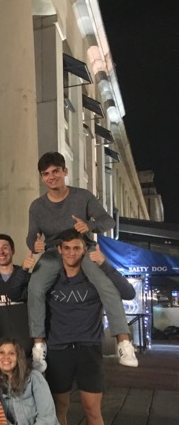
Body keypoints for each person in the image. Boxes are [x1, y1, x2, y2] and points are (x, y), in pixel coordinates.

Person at [27, 151, 138, 368]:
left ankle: (124, 343)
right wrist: (35, 245)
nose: (52, 177)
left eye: (56, 171)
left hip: (82, 249)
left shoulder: (83, 196)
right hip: (53, 252)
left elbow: (108, 221)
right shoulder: (37, 206)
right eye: (46, 174)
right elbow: (31, 236)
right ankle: (39, 347)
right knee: (35, 286)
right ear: (42, 178)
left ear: (64, 171)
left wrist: (89, 225)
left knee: (106, 285)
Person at [44, 229, 135, 425]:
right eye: (67, 248)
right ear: (59, 250)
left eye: (77, 248)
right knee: (59, 409)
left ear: (84, 249)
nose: (72, 252)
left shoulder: (95, 275)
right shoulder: (52, 277)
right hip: (59, 349)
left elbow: (128, 293)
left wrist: (105, 263)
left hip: (89, 349)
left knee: (92, 410)